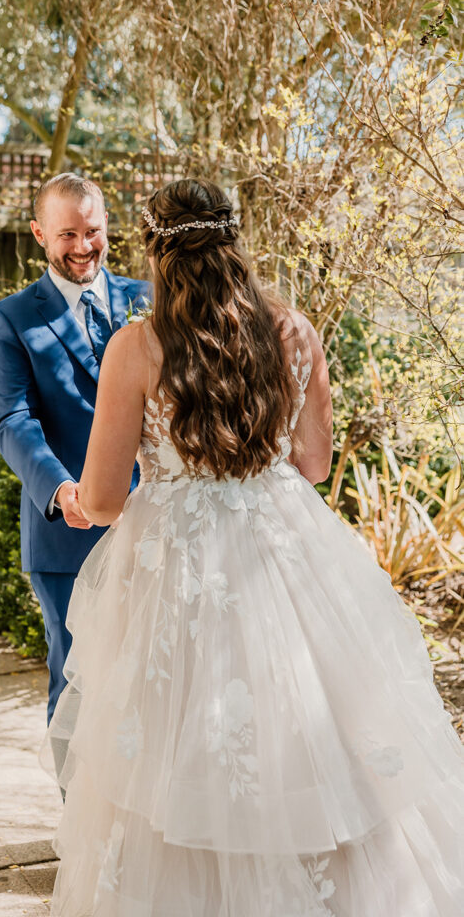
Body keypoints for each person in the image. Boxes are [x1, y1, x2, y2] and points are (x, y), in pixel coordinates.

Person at [46, 178, 464, 915]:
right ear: (235, 242)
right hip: (283, 548)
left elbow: (106, 499)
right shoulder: (293, 332)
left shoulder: (137, 348)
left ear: (154, 249)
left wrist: (90, 497)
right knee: (317, 728)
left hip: (175, 563)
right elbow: (312, 465)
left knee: (177, 746)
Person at [0, 173, 150, 725]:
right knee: (79, 683)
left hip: (160, 526)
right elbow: (12, 419)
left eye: (93, 231)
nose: (83, 247)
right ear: (39, 233)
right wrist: (59, 488)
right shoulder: (12, 318)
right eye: (67, 234)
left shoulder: (150, 300)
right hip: (66, 534)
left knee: (159, 679)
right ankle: (78, 812)